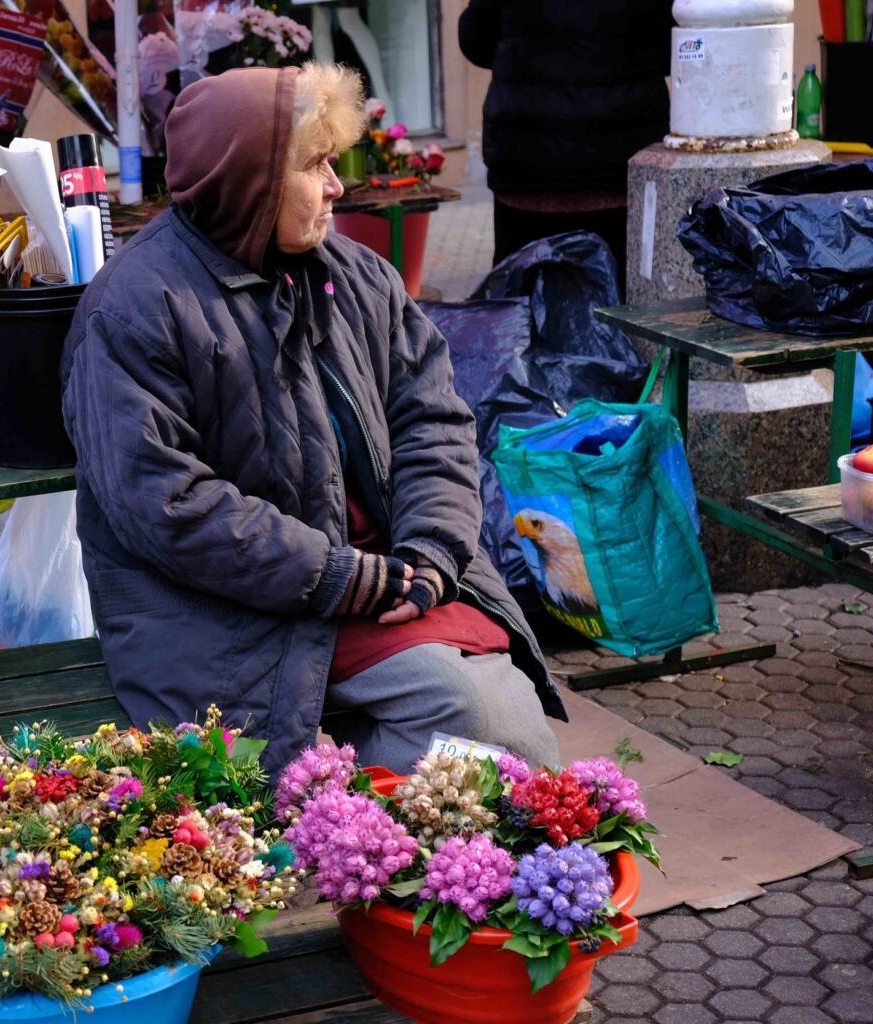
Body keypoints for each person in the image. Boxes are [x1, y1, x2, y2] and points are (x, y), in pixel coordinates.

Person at [60, 63, 564, 773]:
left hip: (377, 580)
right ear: (250, 179)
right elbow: (166, 504)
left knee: (491, 716)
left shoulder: (359, 276)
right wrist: (335, 576)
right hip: (222, 610)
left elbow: (435, 425)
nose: (337, 186)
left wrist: (432, 553)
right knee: (485, 720)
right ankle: (356, 808)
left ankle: (359, 797)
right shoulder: (136, 306)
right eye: (316, 164)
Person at [459, 0, 673, 289]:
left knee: (520, 307)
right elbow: (672, 46)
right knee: (621, 306)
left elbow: (476, 42)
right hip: (619, 164)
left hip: (528, 163)